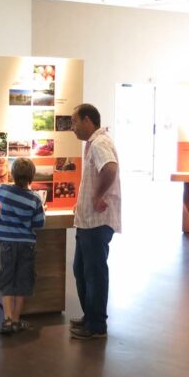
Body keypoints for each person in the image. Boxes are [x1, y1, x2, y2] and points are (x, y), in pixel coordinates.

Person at [69, 103, 120, 340]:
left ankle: (97, 324)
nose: (72, 128)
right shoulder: (94, 143)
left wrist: (98, 196)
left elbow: (109, 168)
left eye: (74, 122)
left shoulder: (100, 143)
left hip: (97, 222)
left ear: (88, 120)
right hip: (88, 221)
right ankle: (90, 316)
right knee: (81, 269)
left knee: (94, 272)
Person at [0, 157, 45, 335]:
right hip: (27, 244)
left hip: (7, 243)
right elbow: (39, 223)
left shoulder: (4, 190)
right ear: (31, 177)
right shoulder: (35, 199)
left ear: (12, 174)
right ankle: (17, 319)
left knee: (7, 277)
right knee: (23, 279)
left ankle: (7, 319)